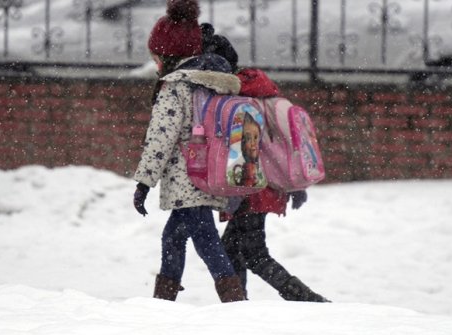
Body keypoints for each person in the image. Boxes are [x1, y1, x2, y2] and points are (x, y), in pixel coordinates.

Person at [201, 23, 330, 302]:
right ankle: (239, 306)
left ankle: (309, 300)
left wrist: (235, 191)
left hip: (253, 185)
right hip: (266, 183)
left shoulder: (239, 97)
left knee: (255, 254)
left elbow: (247, 148)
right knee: (232, 247)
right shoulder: (261, 90)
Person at [132, 0, 246, 303]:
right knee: (173, 237)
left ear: (167, 55)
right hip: (212, 169)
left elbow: (161, 138)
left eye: (156, 55)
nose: (155, 62)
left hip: (188, 176)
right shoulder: (214, 82)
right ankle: (163, 303)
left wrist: (144, 182)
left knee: (206, 240)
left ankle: (236, 303)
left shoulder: (176, 86)